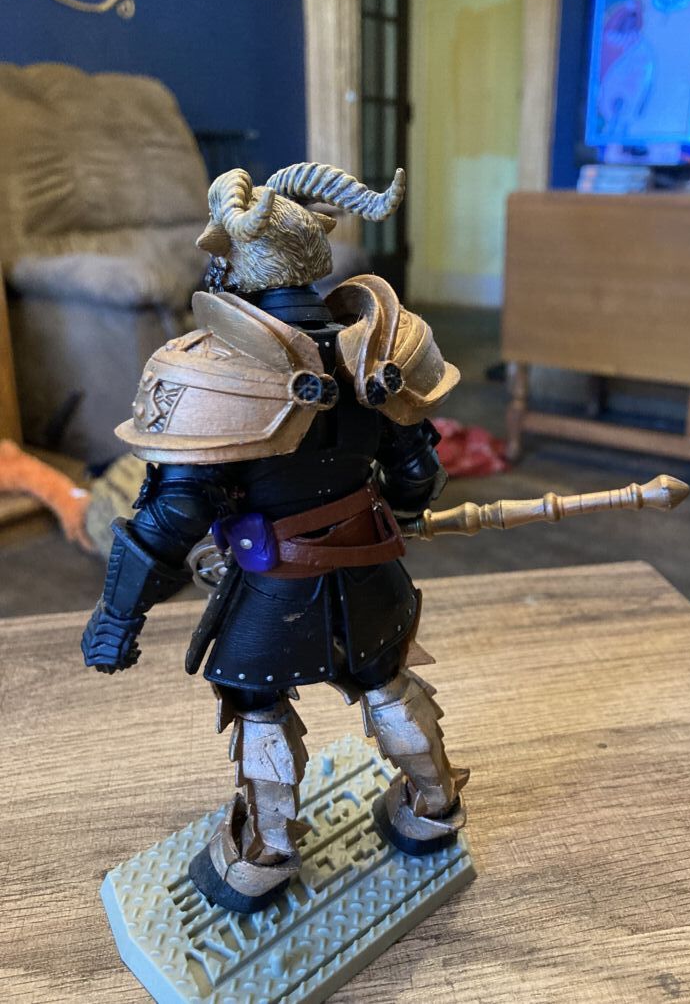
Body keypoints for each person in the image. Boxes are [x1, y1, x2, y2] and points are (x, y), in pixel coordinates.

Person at [80, 163, 469, 913]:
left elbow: (169, 515)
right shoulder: (377, 352)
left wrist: (117, 616)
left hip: (274, 588)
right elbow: (418, 471)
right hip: (372, 575)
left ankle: (262, 856)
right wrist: (402, 510)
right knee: (387, 682)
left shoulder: (212, 368)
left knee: (258, 705)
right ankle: (433, 808)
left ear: (237, 264)